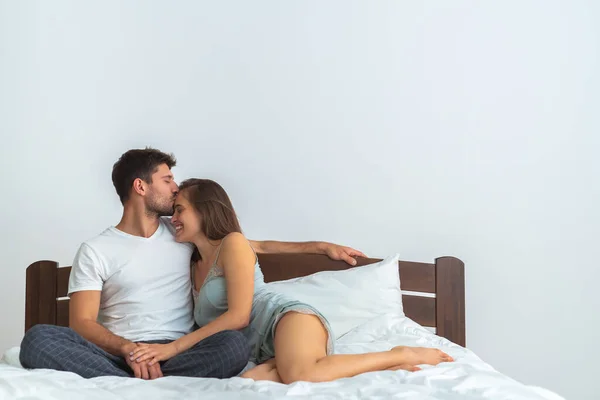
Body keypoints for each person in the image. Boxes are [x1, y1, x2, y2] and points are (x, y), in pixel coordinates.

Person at [19, 148, 365, 380]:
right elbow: (81, 321)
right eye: (167, 180)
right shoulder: (95, 249)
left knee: (233, 346)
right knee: (36, 340)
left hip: (183, 351)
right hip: (117, 353)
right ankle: (136, 373)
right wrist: (129, 350)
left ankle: (149, 374)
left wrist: (319, 246)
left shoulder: (182, 233)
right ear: (140, 186)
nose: (174, 189)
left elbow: (247, 244)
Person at [128, 178, 455, 384]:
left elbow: (239, 316)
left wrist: (170, 349)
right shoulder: (193, 261)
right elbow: (268, 247)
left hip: (286, 318)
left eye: (180, 210)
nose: (174, 219)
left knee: (301, 374)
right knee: (254, 380)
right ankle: (370, 367)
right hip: (259, 349)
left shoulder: (232, 244)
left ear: (205, 211)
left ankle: (396, 354)